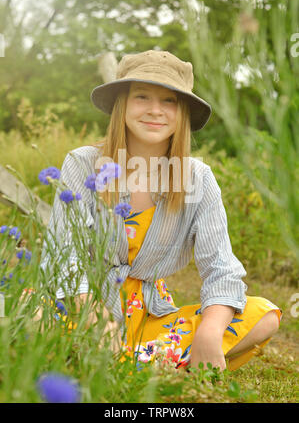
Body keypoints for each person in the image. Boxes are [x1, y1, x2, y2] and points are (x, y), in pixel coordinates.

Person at [39, 50, 282, 372]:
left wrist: (209, 332)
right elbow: (64, 254)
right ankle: (146, 363)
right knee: (26, 315)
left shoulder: (197, 178)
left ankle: (125, 359)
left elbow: (222, 270)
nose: (155, 110)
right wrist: (95, 319)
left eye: (169, 101)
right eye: (141, 96)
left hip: (148, 317)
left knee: (264, 316)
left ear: (181, 112)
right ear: (121, 104)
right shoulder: (83, 163)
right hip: (78, 306)